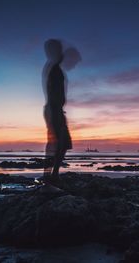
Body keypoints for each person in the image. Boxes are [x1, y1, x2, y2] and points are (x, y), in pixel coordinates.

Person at [42, 39, 80, 183]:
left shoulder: (54, 68)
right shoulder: (54, 68)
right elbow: (53, 94)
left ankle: (53, 175)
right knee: (56, 142)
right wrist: (54, 113)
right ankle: (49, 177)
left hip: (55, 110)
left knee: (62, 143)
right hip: (53, 109)